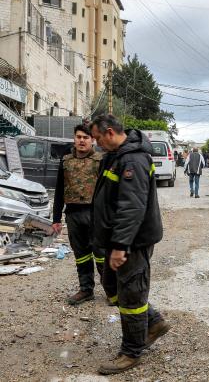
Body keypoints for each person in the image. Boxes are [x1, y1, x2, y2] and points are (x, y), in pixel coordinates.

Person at [90, 115, 169, 375]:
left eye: (98, 138)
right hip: (118, 239)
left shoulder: (132, 159)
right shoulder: (117, 155)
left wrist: (120, 246)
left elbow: (131, 207)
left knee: (131, 295)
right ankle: (154, 323)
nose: (96, 143)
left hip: (132, 242)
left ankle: (131, 351)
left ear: (110, 132)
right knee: (116, 286)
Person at [52, 124, 104, 306]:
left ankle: (112, 291)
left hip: (96, 214)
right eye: (79, 137)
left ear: (93, 140)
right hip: (73, 215)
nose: (82, 140)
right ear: (74, 138)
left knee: (101, 254)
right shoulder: (65, 161)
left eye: (86, 137)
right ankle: (86, 289)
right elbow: (59, 190)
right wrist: (56, 219)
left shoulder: (101, 160)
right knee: (81, 254)